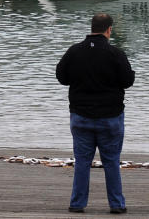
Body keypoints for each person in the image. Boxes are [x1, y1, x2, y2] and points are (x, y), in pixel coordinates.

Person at [56, 12, 134, 214]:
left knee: (82, 162)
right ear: (109, 30)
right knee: (111, 162)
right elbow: (128, 81)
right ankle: (116, 204)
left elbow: (61, 77)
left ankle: (77, 203)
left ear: (91, 28)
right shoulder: (116, 53)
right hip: (110, 116)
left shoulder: (74, 51)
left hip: (81, 115)